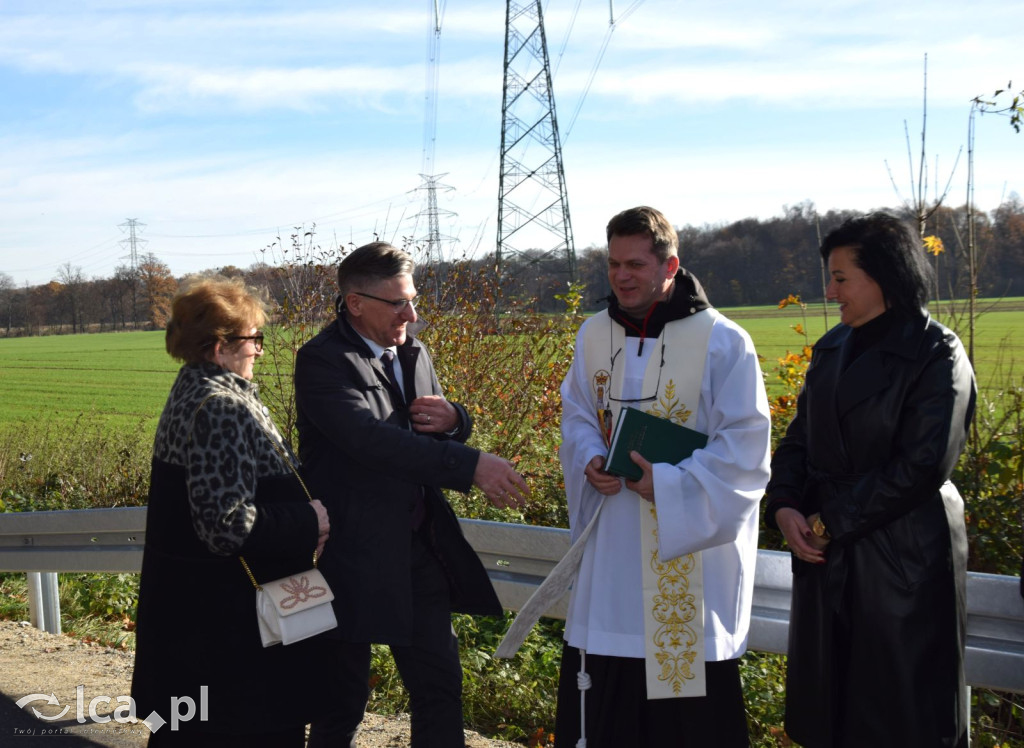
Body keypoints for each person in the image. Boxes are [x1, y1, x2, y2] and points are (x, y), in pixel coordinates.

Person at [294, 241, 529, 748]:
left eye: (413, 299)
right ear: (355, 303)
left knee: (440, 688)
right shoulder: (320, 362)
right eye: (398, 302)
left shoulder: (414, 351)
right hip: (348, 554)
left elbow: (425, 430)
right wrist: (471, 466)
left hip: (418, 548)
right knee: (342, 702)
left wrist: (457, 420)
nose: (412, 313)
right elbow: (370, 441)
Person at [555, 206, 771, 747]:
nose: (621, 276)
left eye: (635, 264)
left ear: (669, 265)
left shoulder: (724, 341)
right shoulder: (593, 334)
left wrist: (669, 484)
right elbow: (578, 413)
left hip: (687, 557)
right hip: (611, 550)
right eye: (612, 265)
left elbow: (745, 446)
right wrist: (590, 458)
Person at [764, 212, 976, 748]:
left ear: (884, 275)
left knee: (902, 714)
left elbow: (924, 465)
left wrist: (830, 521)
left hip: (902, 555)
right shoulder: (832, 348)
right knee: (828, 713)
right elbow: (799, 439)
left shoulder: (938, 352)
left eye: (840, 277)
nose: (829, 290)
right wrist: (785, 503)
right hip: (825, 551)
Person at [131, 278, 336, 747]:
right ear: (220, 347)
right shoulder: (220, 407)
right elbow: (224, 526)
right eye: (253, 339)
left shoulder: (194, 392)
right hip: (230, 642)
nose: (259, 352)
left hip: (195, 630)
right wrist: (310, 520)